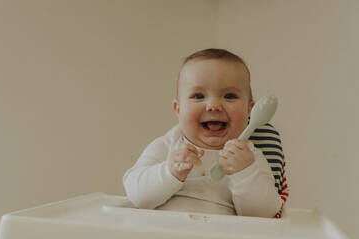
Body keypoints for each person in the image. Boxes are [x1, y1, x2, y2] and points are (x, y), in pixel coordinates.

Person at [123, 48, 288, 218]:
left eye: (229, 96)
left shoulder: (250, 157)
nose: (213, 105)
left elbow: (265, 214)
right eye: (198, 95)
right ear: (178, 109)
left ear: (249, 110)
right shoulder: (167, 146)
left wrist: (245, 173)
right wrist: (169, 171)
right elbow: (137, 196)